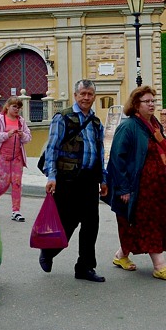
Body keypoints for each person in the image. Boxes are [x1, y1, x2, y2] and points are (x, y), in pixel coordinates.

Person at [105, 85, 166, 281]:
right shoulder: (128, 127)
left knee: (144, 223)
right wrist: (122, 188)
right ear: (136, 105)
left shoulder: (155, 125)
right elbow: (117, 158)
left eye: (153, 101)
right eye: (147, 101)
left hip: (156, 188)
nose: (151, 104)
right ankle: (160, 265)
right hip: (137, 187)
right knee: (146, 223)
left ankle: (121, 255)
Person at [39, 79, 108, 283]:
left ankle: (85, 267)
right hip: (67, 179)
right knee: (67, 223)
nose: (86, 98)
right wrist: (51, 176)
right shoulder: (63, 118)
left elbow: (101, 152)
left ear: (94, 96)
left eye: (90, 94)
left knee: (91, 224)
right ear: (76, 95)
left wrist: (103, 179)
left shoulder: (96, 123)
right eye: (82, 94)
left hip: (88, 180)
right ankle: (48, 252)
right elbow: (52, 148)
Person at [0, 96, 33, 221]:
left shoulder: (21, 121)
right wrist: (6, 135)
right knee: (4, 182)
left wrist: (22, 135)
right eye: (15, 106)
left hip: (17, 157)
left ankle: (16, 211)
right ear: (8, 106)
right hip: (2, 156)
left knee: (17, 183)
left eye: (19, 107)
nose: (17, 110)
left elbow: (28, 137)